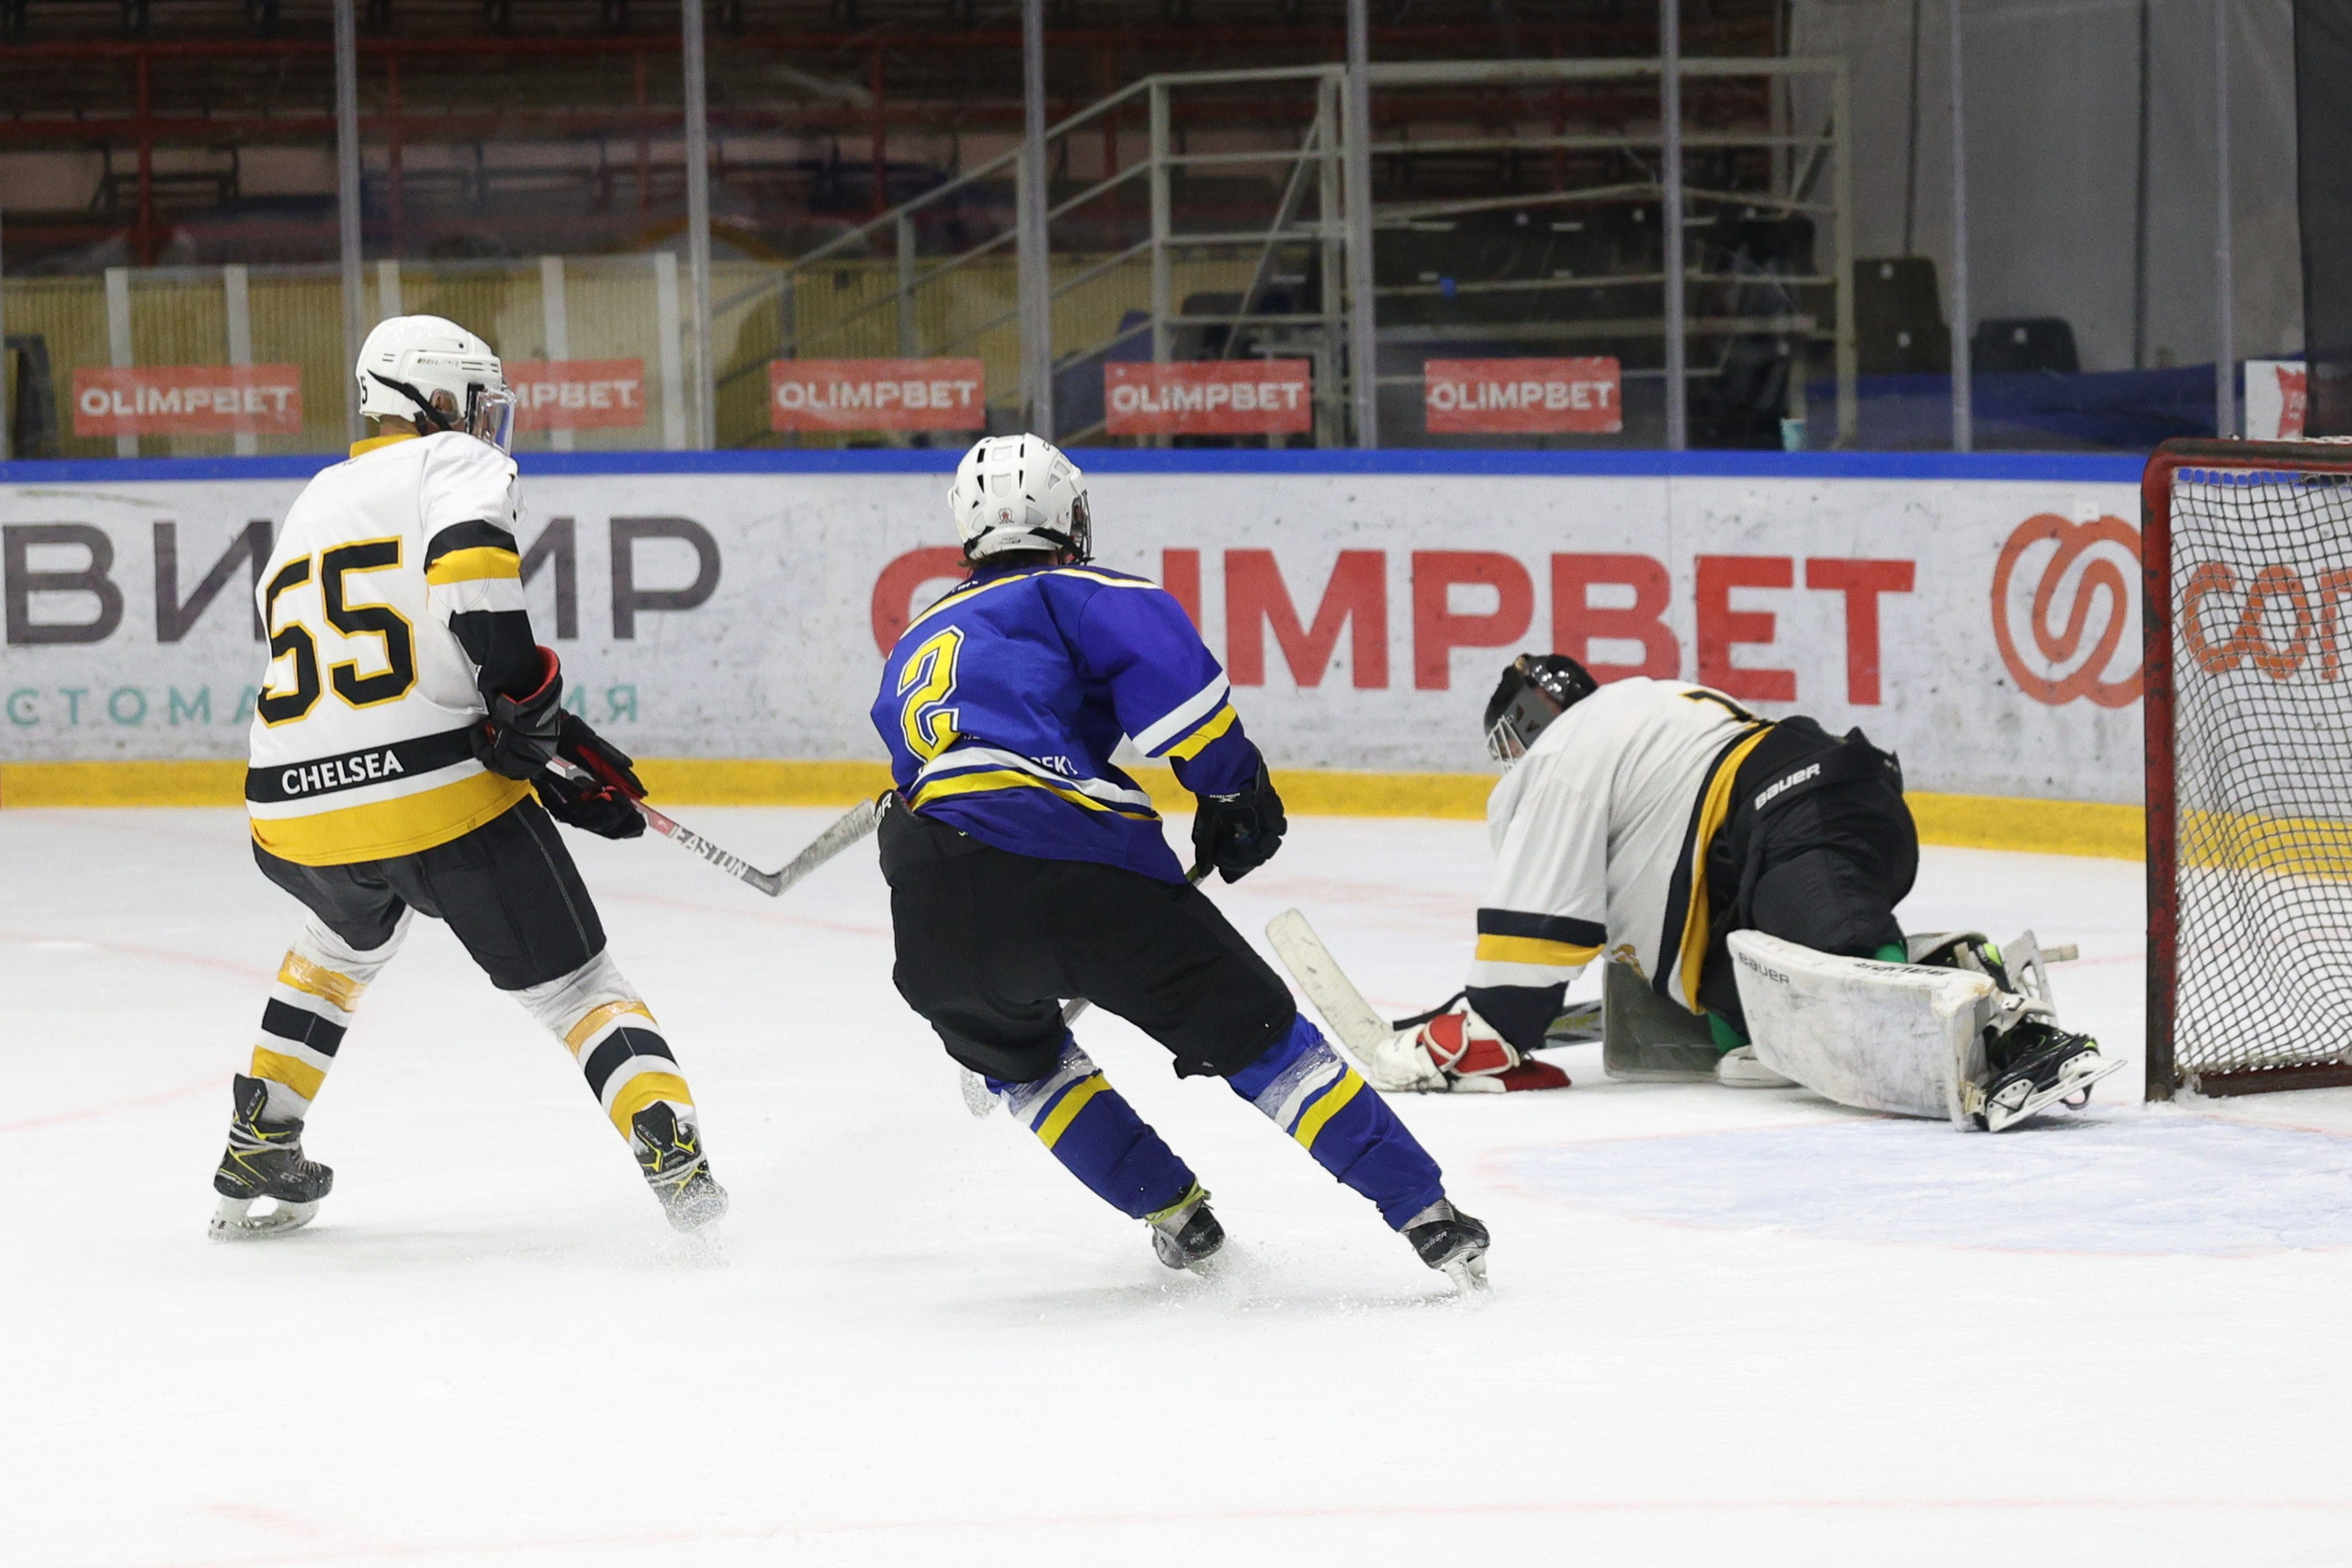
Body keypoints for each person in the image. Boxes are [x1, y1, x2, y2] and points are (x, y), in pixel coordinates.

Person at [870, 434, 1488, 1285]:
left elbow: (916, 780)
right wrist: (1230, 791)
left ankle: (1174, 1213)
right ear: (1068, 515)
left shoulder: (912, 643)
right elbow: (1176, 693)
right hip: (1080, 866)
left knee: (1025, 1067)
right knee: (1266, 1042)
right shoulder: (1080, 589)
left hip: (931, 904)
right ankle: (1427, 1212)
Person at [209, 314, 725, 1238]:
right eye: (476, 403)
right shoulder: (453, 462)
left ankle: (260, 1138)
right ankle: (665, 1135)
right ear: (433, 401)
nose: (487, 423)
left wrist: (536, 728)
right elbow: (474, 581)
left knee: (338, 948)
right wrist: (527, 701)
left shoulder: (315, 498)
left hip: (289, 810)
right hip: (438, 798)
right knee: (578, 989)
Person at [1366, 653, 2114, 1129]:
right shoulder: (1645, 713)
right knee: (1753, 1014)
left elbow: (1530, 958)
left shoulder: (1564, 755)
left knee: (1842, 958)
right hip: (1798, 823)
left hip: (1794, 809)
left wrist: (1471, 1031)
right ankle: (1944, 964)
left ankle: (2010, 1031)